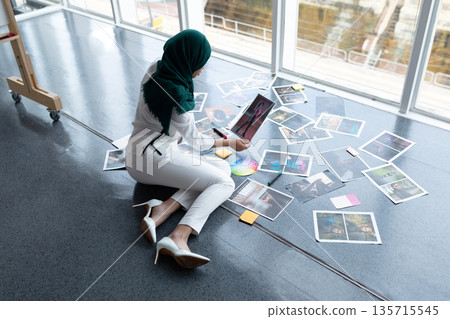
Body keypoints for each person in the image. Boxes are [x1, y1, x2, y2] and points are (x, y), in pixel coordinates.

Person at [126, 30, 251, 269]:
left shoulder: (157, 67)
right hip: (152, 160)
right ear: (189, 59)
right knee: (225, 183)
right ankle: (178, 236)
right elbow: (199, 143)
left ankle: (162, 208)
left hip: (139, 150)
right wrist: (231, 143)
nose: (201, 69)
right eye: (200, 63)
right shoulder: (177, 96)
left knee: (222, 166)